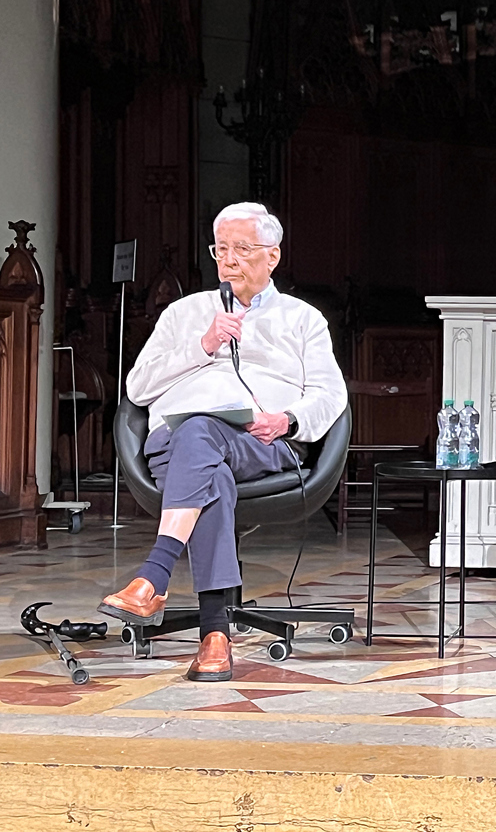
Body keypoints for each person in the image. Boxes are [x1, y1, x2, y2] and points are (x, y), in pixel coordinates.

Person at [98, 202, 346, 682]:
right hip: (178, 440)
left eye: (242, 249)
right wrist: (203, 346)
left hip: (261, 442)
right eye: (221, 249)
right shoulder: (184, 313)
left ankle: (156, 578)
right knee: (201, 443)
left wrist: (288, 419)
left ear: (272, 257)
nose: (228, 260)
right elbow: (138, 387)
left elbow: (330, 393)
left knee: (202, 439)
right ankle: (214, 634)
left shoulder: (303, 319)